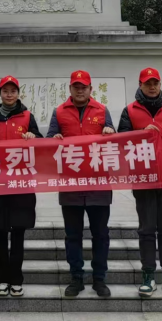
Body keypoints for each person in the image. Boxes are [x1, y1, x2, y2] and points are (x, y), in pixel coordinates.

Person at [118, 67, 162, 299]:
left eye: (155, 82)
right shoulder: (130, 111)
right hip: (144, 179)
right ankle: (148, 275)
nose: (152, 86)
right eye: (147, 83)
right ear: (140, 85)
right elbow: (122, 141)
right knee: (147, 229)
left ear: (160, 84)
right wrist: (140, 134)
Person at [47, 70, 116, 298]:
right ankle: (76, 278)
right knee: (73, 235)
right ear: (70, 89)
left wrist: (110, 131)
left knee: (100, 235)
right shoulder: (59, 112)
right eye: (76, 86)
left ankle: (99, 279)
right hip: (71, 185)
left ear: (90, 89)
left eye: (83, 87)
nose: (80, 90)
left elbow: (114, 141)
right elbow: (49, 141)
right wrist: (53, 139)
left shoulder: (102, 111)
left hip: (98, 185)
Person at [0, 75, 42, 297]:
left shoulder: (27, 116)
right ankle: (1, 278)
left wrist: (33, 136)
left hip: (20, 183)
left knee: (19, 233)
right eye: (6, 91)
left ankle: (16, 278)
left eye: (13, 91)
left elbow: (42, 143)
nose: (9, 94)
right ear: (0, 93)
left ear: (18, 93)